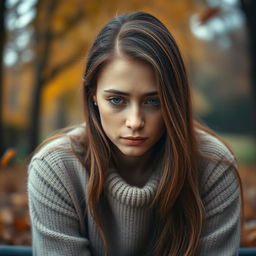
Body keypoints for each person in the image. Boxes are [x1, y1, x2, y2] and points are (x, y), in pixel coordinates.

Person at [27, 11, 242, 256]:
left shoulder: (213, 166)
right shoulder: (55, 169)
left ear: (175, 100)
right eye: (117, 100)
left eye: (153, 101)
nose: (135, 122)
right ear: (93, 96)